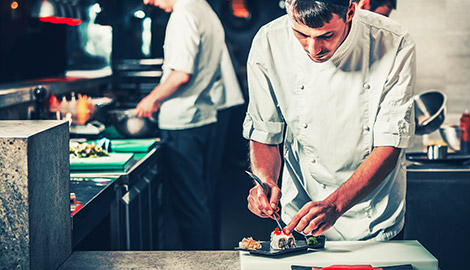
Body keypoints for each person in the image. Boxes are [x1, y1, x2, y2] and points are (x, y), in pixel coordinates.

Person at [243, 0, 415, 241]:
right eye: (301, 34)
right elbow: (264, 131)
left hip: (373, 217)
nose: (313, 49)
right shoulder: (269, 41)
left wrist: (335, 205)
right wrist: (266, 181)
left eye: (326, 35)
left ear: (351, 12)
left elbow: (390, 143)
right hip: (301, 213)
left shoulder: (393, 40)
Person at [137, 0, 232, 250]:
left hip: (183, 124)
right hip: (205, 117)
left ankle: (200, 264)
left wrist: (150, 100)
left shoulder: (184, 13)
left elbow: (181, 74)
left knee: (190, 206)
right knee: (204, 201)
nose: (147, 1)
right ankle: (212, 262)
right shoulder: (205, 9)